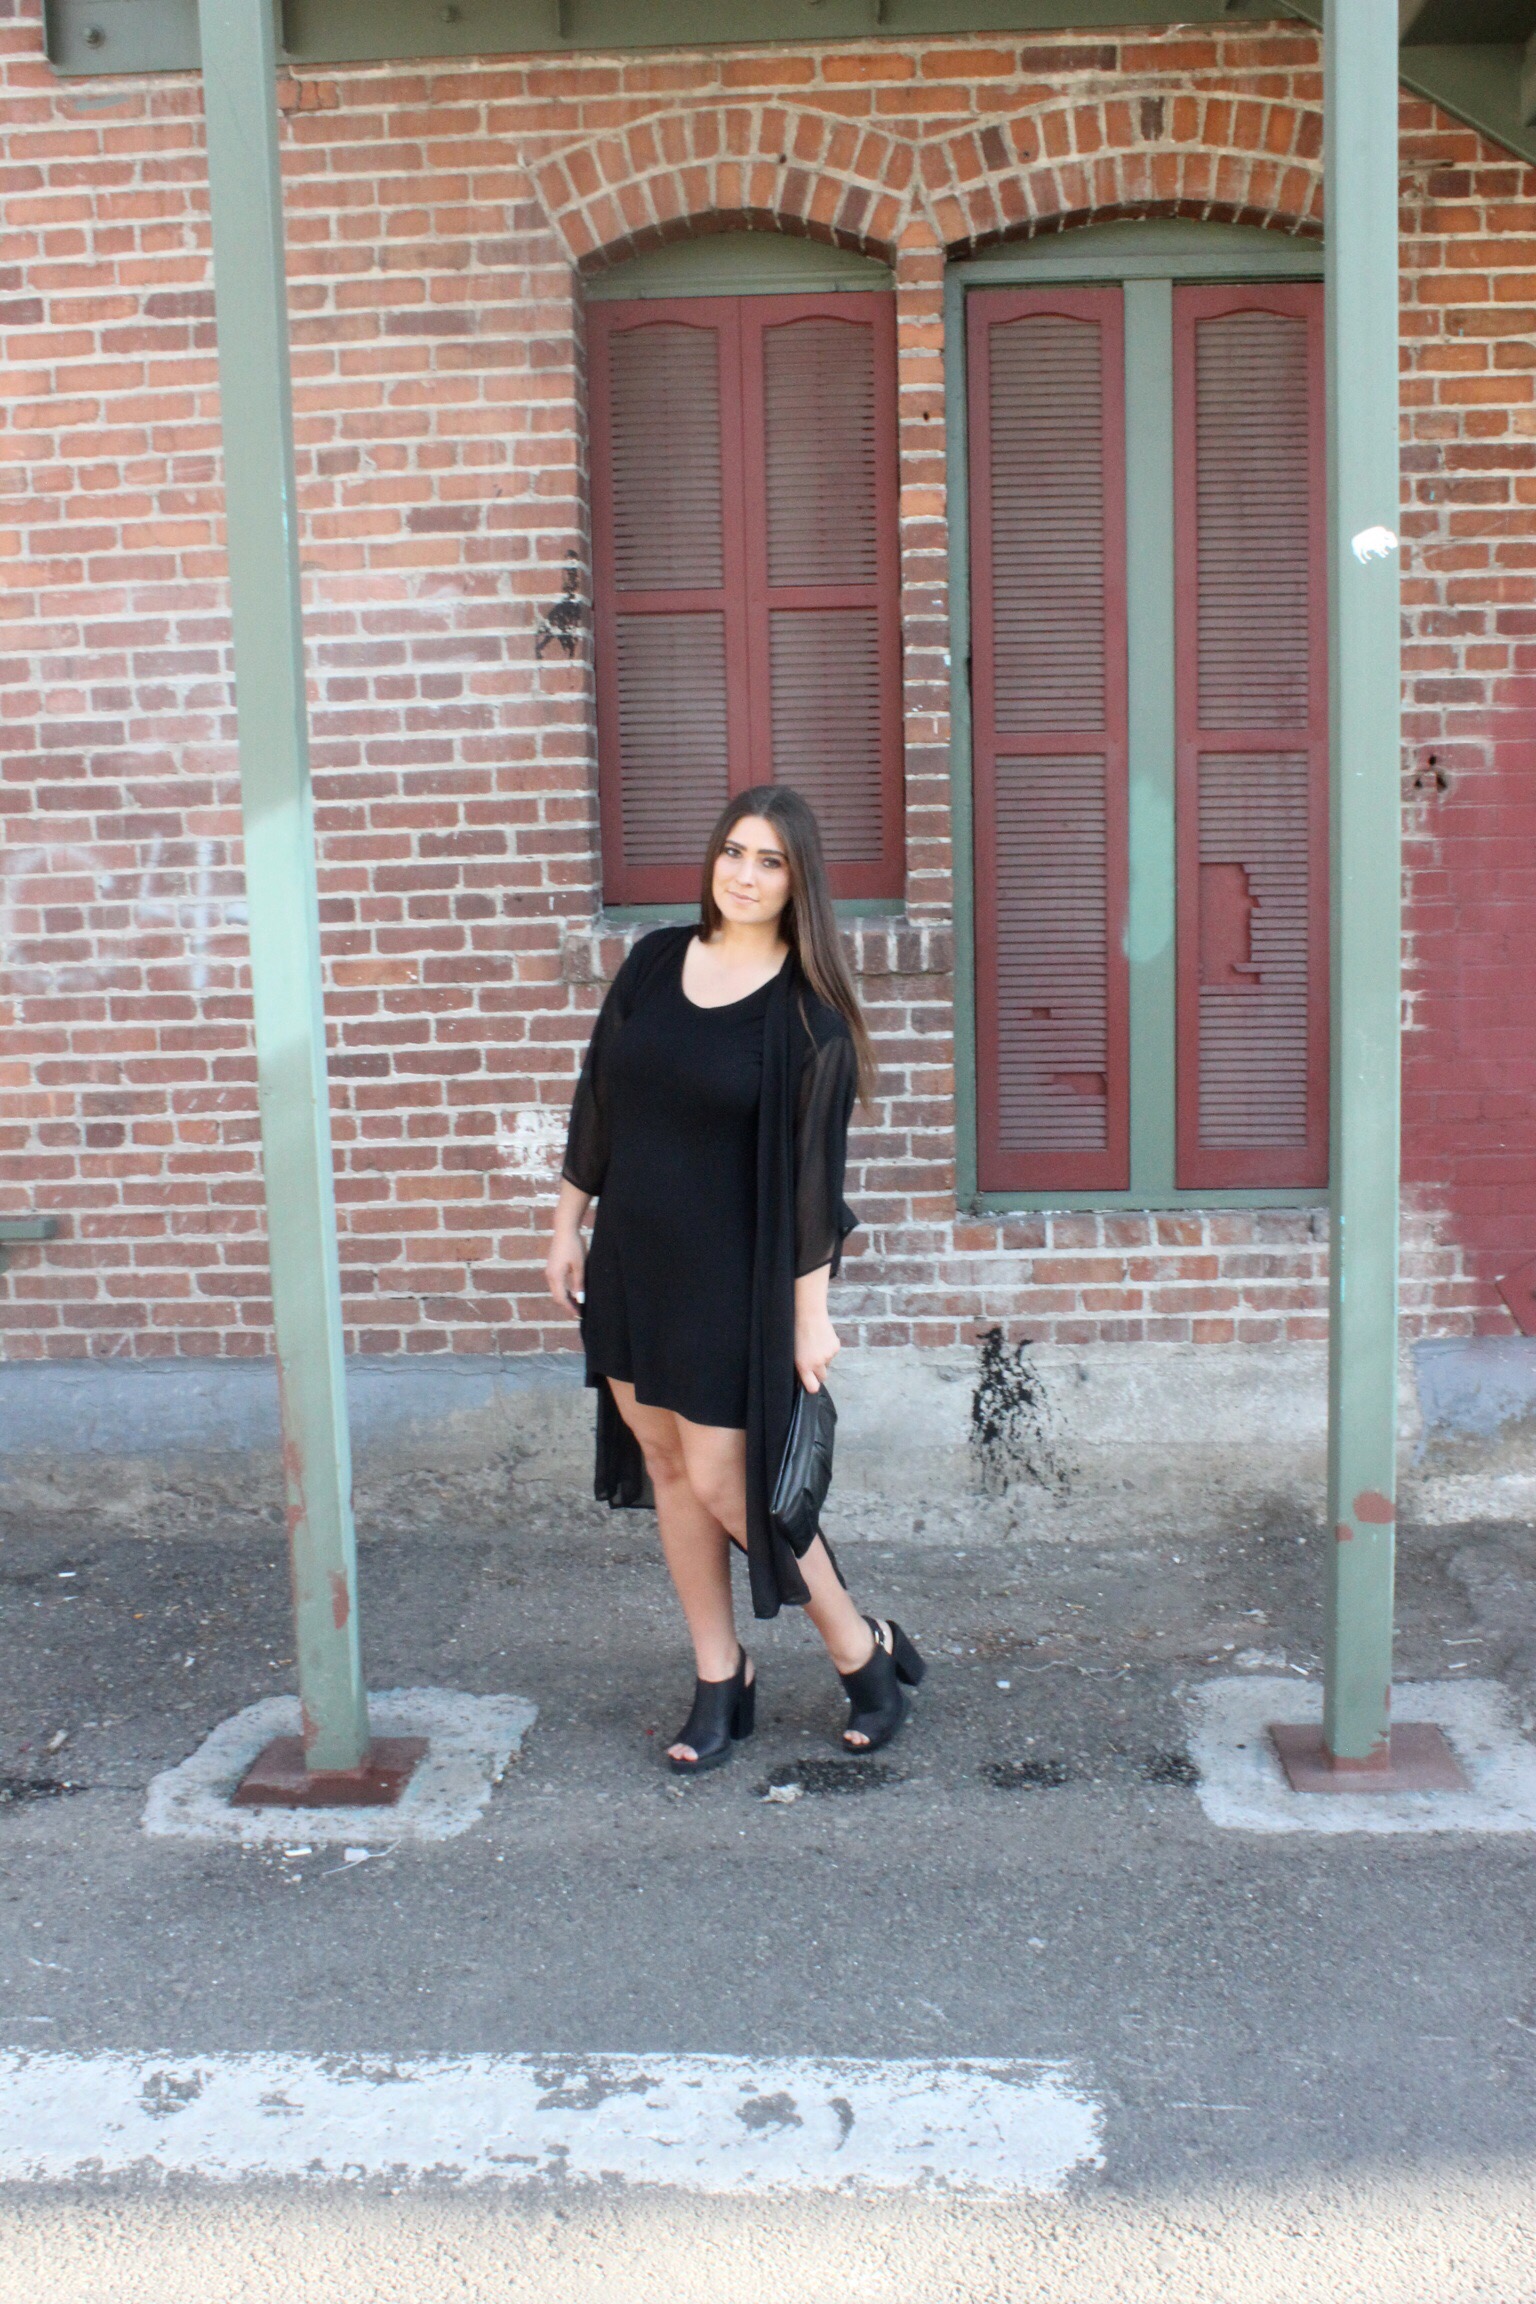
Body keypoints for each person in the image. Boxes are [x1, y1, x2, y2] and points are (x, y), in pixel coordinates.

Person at [546, 784, 926, 1773]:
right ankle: (722, 1674)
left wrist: (812, 1317)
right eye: (733, 852)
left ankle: (861, 1650)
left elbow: (814, 1190)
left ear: (799, 883)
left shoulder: (809, 1021)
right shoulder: (655, 961)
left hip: (729, 1283)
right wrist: (567, 1226)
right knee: (666, 1465)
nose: (745, 875)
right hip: (634, 1262)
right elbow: (599, 1098)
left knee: (728, 1481)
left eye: (770, 861)